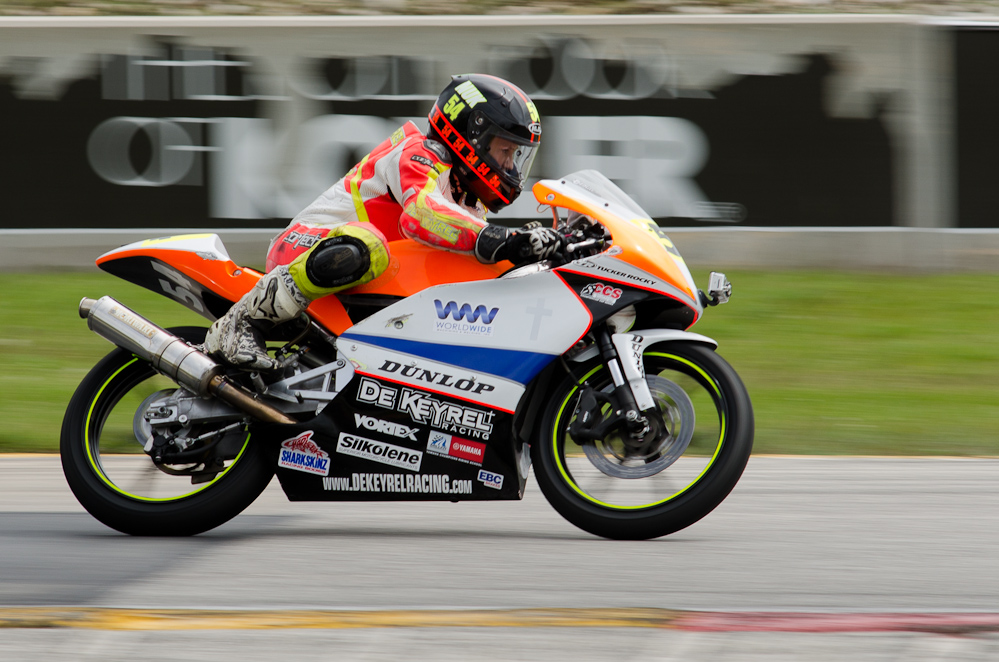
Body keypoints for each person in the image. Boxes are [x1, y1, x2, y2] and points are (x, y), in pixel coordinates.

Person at [204, 74, 562, 371]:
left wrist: (530, 252)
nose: (512, 167)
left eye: (517, 155)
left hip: (364, 280)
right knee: (368, 244)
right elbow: (422, 214)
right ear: (473, 136)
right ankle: (242, 321)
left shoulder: (468, 204)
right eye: (505, 151)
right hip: (305, 249)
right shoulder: (420, 152)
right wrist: (500, 239)